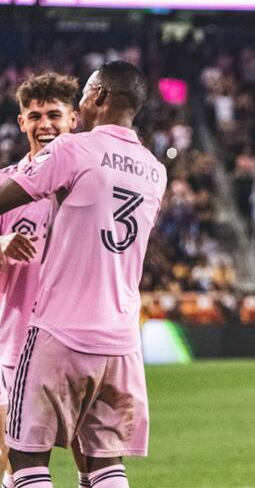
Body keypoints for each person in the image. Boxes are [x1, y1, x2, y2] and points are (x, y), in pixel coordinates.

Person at [0, 61, 167, 488]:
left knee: (25, 459)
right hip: (121, 341)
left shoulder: (73, 151)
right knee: (104, 465)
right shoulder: (155, 169)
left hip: (60, 330)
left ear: (96, 99)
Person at [0, 73, 92, 488]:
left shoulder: (92, 184)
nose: (45, 124)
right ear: (21, 123)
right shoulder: (5, 185)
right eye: (34, 115)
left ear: (73, 119)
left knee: (91, 460)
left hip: (75, 342)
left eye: (54, 114)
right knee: (11, 459)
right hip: (13, 345)